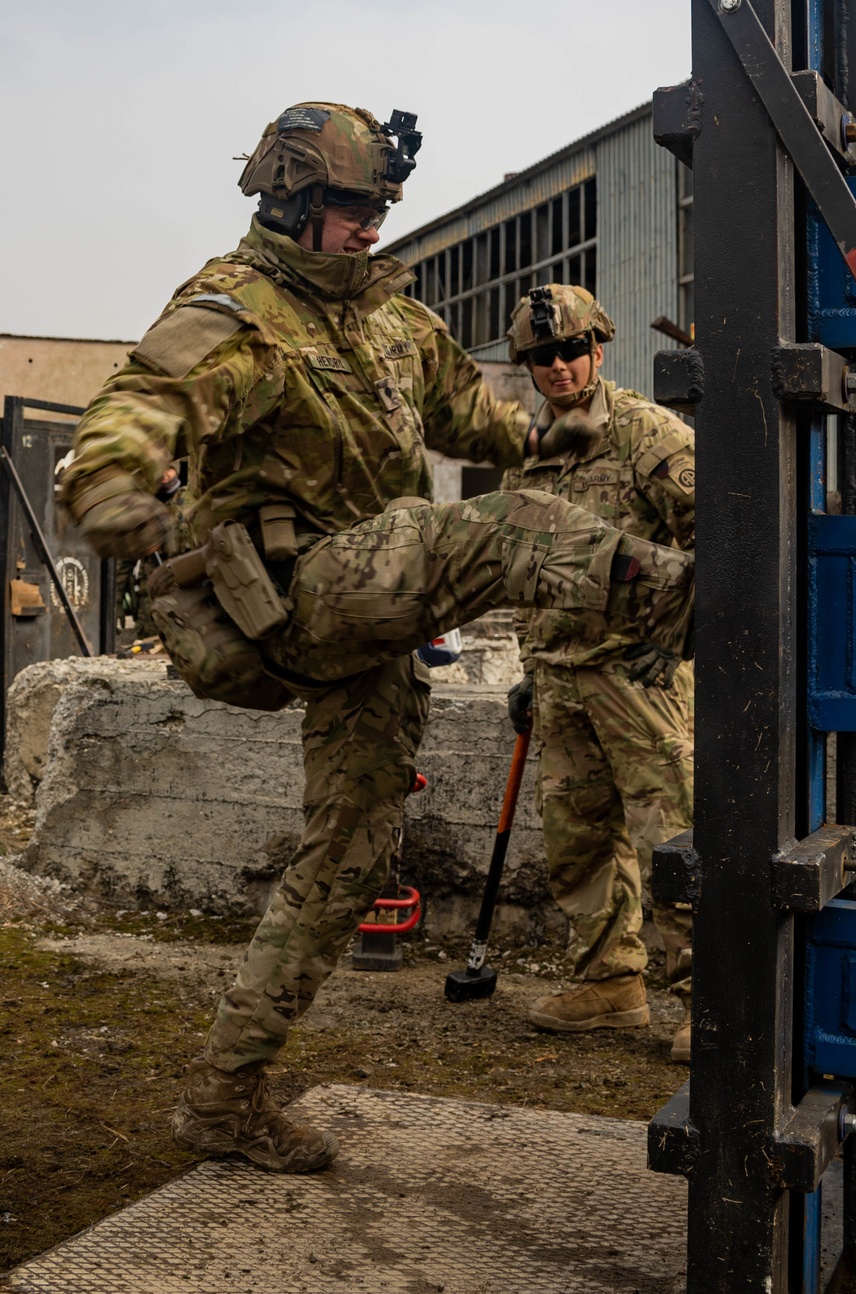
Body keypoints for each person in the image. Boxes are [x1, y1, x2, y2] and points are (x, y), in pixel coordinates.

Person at [60, 104, 695, 1173]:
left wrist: (551, 432)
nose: (371, 226)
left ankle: (224, 1097)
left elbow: (475, 424)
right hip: (305, 589)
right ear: (294, 202)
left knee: (347, 861)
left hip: (378, 621)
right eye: (353, 208)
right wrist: (116, 483)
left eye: (380, 207)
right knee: (497, 531)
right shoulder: (237, 309)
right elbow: (142, 402)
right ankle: (675, 598)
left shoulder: (394, 325)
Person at [502, 285, 695, 1062]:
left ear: (599, 348)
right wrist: (528, 668)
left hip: (638, 677)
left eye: (572, 350)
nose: (559, 366)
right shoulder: (534, 451)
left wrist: (679, 640)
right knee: (579, 845)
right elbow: (520, 564)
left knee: (674, 842)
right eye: (542, 356)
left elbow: (726, 535)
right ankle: (611, 985)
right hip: (560, 676)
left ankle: (706, 996)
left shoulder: (649, 434)